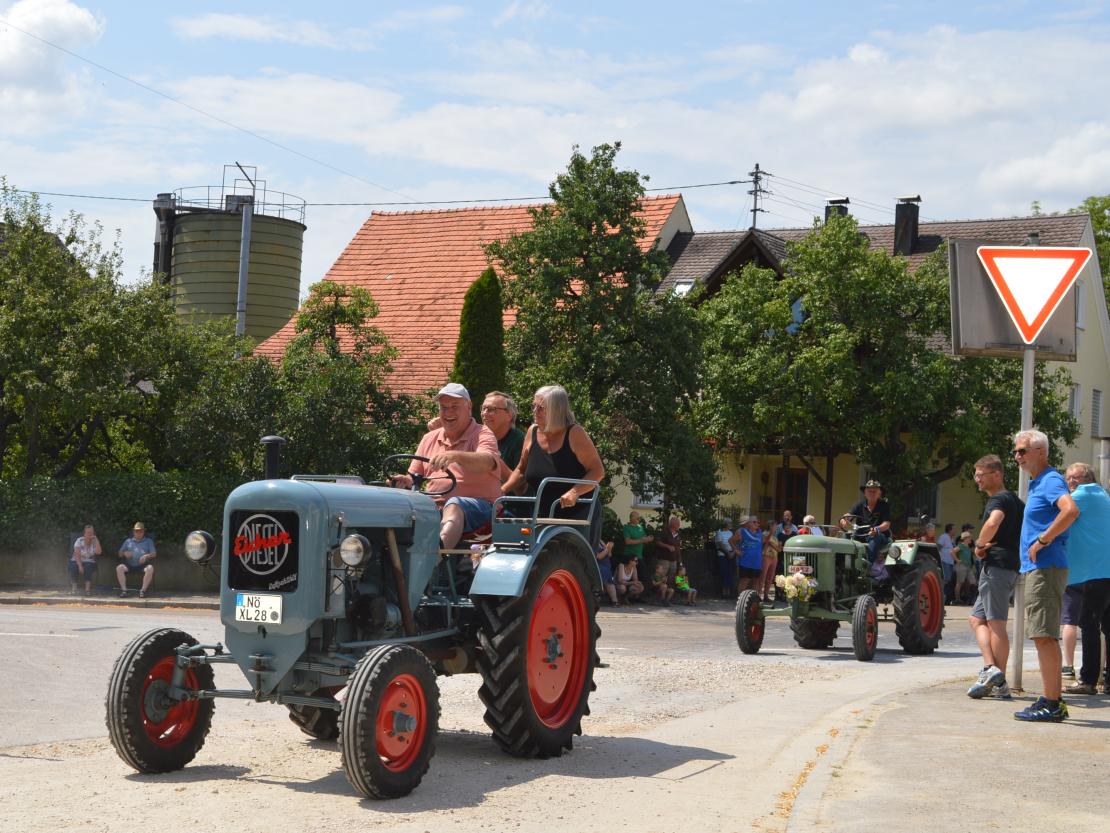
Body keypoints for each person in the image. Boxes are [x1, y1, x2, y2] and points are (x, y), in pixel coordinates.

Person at [1012, 429, 1079, 722]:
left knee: (1044, 635)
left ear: (1041, 452)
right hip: (1040, 568)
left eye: (1022, 451)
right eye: (1015, 452)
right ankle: (1051, 697)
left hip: (1046, 567)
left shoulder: (1050, 480)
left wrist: (1043, 540)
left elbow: (1070, 511)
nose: (1017, 457)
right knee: (1043, 635)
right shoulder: (1039, 482)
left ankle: (1053, 703)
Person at [395, 383, 501, 550]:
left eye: (454, 406)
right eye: (444, 407)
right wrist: (405, 481)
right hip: (434, 508)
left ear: (469, 407)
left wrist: (455, 456)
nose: (448, 412)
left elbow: (488, 462)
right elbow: (414, 477)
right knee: (394, 506)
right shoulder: (429, 438)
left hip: (482, 509)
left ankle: (435, 557)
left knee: (455, 504)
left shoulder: (483, 434)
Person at [503, 385, 605, 537]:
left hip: (579, 516)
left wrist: (574, 492)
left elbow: (598, 471)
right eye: (533, 406)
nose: (534, 411)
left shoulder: (574, 433)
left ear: (556, 410)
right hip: (544, 515)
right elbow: (521, 470)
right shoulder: (532, 431)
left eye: (541, 408)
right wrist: (501, 491)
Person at [966, 454, 1024, 700]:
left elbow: (995, 520)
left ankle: (1000, 684)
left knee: (996, 624)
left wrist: (979, 544)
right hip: (1008, 566)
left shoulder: (998, 499)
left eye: (981, 475)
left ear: (997, 475)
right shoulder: (1017, 502)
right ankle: (991, 669)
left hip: (997, 567)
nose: (977, 479)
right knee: (976, 619)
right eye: (975, 475)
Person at [1061, 463, 1110, 697]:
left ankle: (1088, 680)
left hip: (1093, 570)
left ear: (1087, 478)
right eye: (1068, 477)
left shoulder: (1082, 495)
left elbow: (1059, 514)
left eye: (1076, 477)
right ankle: (1107, 681)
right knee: (1107, 626)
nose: (1071, 481)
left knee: (1088, 623)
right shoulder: (1103, 495)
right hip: (1105, 569)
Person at [838, 479, 892, 565]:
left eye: (874, 491)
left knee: (875, 538)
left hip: (877, 535)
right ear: (865, 493)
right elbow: (849, 515)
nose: (871, 493)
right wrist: (844, 519)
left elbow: (887, 524)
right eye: (869, 491)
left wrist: (876, 529)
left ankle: (867, 565)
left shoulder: (884, 506)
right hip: (860, 535)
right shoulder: (859, 504)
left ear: (879, 493)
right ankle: (840, 563)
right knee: (845, 535)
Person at [481, 391, 525, 482]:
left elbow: (521, 485)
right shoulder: (478, 437)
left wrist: (494, 461)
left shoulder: (521, 442)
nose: (484, 413)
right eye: (483, 408)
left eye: (491, 409)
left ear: (509, 415)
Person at [117, 522, 156, 598]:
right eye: (136, 531)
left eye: (141, 531)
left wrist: (146, 556)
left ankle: (143, 591)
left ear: (143, 532)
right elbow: (119, 553)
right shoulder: (128, 541)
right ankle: (124, 591)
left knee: (150, 568)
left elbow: (154, 554)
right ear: (133, 532)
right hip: (129, 565)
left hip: (143, 565)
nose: (138, 533)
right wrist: (124, 553)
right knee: (119, 568)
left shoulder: (148, 541)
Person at [765, 510, 796, 603]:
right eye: (785, 516)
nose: (787, 518)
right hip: (779, 555)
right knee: (779, 575)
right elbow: (774, 541)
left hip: (792, 557)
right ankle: (778, 594)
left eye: (788, 516)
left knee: (790, 575)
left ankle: (788, 594)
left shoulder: (795, 530)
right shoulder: (778, 530)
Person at [69, 524, 101, 596]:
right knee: (73, 566)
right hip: (77, 560)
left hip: (89, 561)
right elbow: (77, 555)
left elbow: (99, 552)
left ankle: (87, 590)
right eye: (88, 532)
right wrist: (80, 566)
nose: (90, 534)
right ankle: (74, 589)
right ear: (84, 533)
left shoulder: (95, 541)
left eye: (92, 532)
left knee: (88, 566)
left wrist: (96, 540)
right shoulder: (79, 540)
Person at [652, 515, 683, 585]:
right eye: (677, 523)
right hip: (664, 560)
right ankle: (659, 589)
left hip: (674, 560)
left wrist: (680, 561)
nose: (679, 525)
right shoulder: (665, 532)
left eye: (678, 523)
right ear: (672, 524)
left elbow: (678, 548)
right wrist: (667, 546)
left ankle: (670, 589)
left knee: (672, 577)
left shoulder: (678, 534)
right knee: (661, 576)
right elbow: (657, 542)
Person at [736, 516, 764, 592]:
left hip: (757, 563)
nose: (757, 524)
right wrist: (736, 550)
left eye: (758, 522)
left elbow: (762, 544)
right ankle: (740, 598)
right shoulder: (742, 531)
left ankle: (755, 599)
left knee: (756, 582)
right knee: (744, 582)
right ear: (749, 523)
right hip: (745, 562)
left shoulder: (760, 532)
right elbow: (731, 541)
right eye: (754, 522)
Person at [714, 518, 736, 598]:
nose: (731, 524)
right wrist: (728, 553)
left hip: (731, 554)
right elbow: (720, 544)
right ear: (725, 524)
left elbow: (733, 543)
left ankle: (729, 592)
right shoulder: (719, 533)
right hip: (722, 555)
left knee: (730, 573)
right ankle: (724, 592)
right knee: (724, 573)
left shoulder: (731, 533)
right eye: (730, 523)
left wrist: (733, 552)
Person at [953, 531, 975, 604]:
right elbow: (952, 552)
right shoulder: (961, 546)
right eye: (969, 537)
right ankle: (957, 599)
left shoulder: (967, 547)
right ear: (965, 538)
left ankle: (968, 597)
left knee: (973, 582)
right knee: (959, 583)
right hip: (961, 566)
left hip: (968, 566)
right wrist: (957, 560)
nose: (971, 539)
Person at [595, 539, 619, 606]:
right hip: (599, 566)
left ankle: (615, 601)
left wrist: (609, 548)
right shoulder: (592, 541)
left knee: (610, 583)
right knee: (603, 583)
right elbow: (598, 557)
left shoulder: (600, 540)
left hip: (606, 566)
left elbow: (609, 555)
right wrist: (607, 548)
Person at [938, 523, 957, 604]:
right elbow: (938, 546)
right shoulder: (944, 537)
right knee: (945, 580)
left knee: (948, 580)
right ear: (949, 530)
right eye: (954, 529)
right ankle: (941, 597)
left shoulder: (951, 539)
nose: (955, 530)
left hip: (950, 562)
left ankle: (946, 598)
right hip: (944, 561)